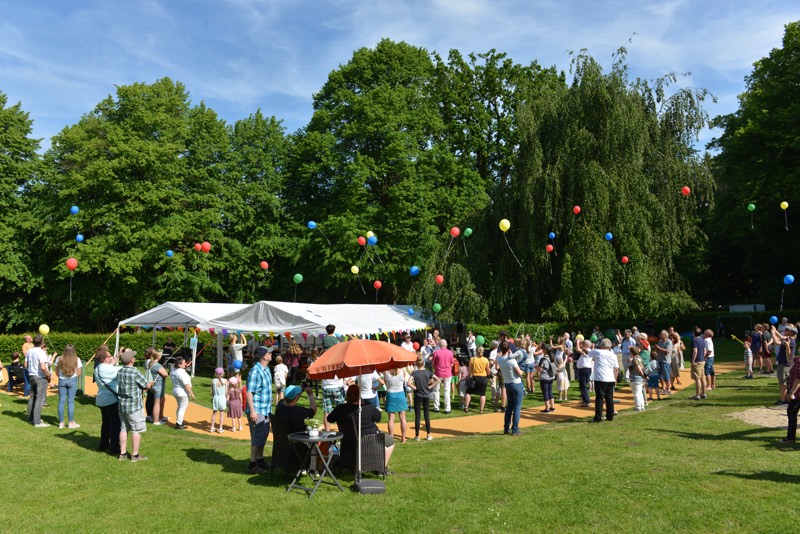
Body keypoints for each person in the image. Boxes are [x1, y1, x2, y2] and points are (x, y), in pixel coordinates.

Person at [327, 384, 394, 472]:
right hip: (370, 439)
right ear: (360, 395)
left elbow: (329, 419)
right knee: (390, 442)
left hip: (348, 440)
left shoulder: (341, 409)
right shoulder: (368, 407)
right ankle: (382, 468)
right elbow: (378, 418)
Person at [116, 350, 152, 462]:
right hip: (134, 407)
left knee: (123, 428)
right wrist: (149, 384)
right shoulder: (135, 372)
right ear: (132, 360)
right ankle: (135, 456)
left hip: (122, 405)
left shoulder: (120, 371)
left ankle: (122, 454)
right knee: (136, 430)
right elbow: (146, 385)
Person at [246, 346, 273, 474]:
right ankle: (252, 465)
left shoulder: (266, 369)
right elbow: (249, 392)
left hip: (266, 408)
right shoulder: (255, 371)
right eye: (269, 353)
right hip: (258, 409)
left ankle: (260, 460)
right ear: (263, 356)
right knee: (257, 437)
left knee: (264, 435)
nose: (271, 355)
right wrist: (252, 411)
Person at [94, 345, 121, 456]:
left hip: (102, 400)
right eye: (110, 356)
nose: (111, 358)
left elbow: (112, 365)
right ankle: (114, 448)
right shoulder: (108, 369)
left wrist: (117, 356)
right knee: (115, 425)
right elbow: (123, 369)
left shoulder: (98, 368)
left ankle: (103, 444)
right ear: (105, 359)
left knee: (106, 423)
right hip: (111, 400)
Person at [408, 357, 440, 441]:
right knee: (427, 415)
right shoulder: (428, 372)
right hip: (426, 395)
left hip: (418, 395)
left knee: (417, 416)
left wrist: (415, 388)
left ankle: (417, 436)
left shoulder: (414, 373)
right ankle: (428, 434)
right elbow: (438, 380)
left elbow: (408, 383)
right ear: (424, 364)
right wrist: (430, 387)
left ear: (416, 365)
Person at [497, 340, 524, 435]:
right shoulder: (512, 361)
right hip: (516, 383)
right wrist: (522, 369)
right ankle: (515, 430)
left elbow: (501, 357)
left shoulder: (499, 359)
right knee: (516, 408)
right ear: (509, 349)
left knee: (509, 407)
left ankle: (506, 428)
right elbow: (519, 373)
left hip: (507, 383)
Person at [589, 339, 619, 423]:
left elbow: (586, 352)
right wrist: (615, 379)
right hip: (610, 378)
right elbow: (616, 369)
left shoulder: (598, 352)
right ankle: (610, 416)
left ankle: (598, 417)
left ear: (602, 346)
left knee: (599, 398)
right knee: (609, 398)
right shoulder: (613, 355)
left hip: (600, 378)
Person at [25, 334, 51, 427]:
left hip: (31, 376)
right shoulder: (41, 352)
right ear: (42, 342)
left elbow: (25, 365)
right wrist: (48, 375)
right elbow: (43, 367)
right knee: (39, 399)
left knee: (32, 397)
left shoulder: (29, 351)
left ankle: (31, 418)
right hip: (40, 377)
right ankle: (37, 421)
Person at [54, 343, 83, 429]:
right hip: (72, 380)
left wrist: (61, 377)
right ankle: (71, 422)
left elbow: (56, 371)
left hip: (62, 380)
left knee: (61, 401)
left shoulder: (59, 358)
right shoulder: (77, 359)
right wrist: (74, 377)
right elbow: (79, 372)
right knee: (70, 402)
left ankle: (61, 423)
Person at [771, 324, 797, 404]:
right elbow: (781, 337)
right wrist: (775, 331)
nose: (785, 331)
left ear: (791, 333)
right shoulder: (788, 338)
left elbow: (777, 342)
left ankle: (783, 400)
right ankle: (784, 398)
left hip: (785, 365)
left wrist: (772, 333)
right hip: (783, 364)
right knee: (783, 383)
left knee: (783, 383)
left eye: (787, 330)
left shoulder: (790, 341)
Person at [383, 367, 409, 443]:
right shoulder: (402, 371)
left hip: (391, 394)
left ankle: (391, 438)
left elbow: (385, 383)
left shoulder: (386, 372)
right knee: (403, 418)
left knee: (391, 419)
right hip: (400, 394)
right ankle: (403, 438)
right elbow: (404, 382)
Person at [145, 348, 169, 425]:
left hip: (154, 386)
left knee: (162, 401)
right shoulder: (157, 365)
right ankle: (156, 420)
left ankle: (161, 417)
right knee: (157, 403)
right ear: (157, 357)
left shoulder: (150, 363)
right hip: (158, 386)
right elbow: (165, 374)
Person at [170, 357, 195, 429]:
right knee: (182, 408)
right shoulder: (181, 373)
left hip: (176, 390)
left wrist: (185, 366)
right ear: (179, 364)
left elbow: (179, 368)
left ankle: (179, 421)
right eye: (184, 363)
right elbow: (186, 385)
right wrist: (191, 393)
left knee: (180, 407)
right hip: (182, 392)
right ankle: (179, 424)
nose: (185, 364)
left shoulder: (173, 371)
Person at [781, 350, 800, 443]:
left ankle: (790, 438)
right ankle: (791, 437)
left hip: (797, 395)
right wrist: (787, 346)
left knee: (792, 413)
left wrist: (792, 392)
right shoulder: (798, 360)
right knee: (791, 413)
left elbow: (798, 379)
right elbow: (790, 359)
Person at [464, 346, 490, 413]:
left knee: (468, 392)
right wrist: (489, 376)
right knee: (482, 394)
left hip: (475, 377)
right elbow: (488, 370)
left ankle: (466, 407)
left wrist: (468, 376)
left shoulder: (472, 359)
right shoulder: (486, 360)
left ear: (476, 351)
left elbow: (469, 370)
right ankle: (481, 409)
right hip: (483, 378)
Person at [431, 339, 454, 414]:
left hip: (438, 373)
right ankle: (447, 408)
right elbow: (452, 363)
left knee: (436, 390)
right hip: (447, 373)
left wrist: (435, 369)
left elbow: (433, 364)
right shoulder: (450, 353)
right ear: (446, 345)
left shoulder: (436, 353)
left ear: (439, 345)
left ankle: (436, 407)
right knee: (447, 391)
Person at [653, 330, 673, 396]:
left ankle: (668, 390)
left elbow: (668, 351)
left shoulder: (669, 342)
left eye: (661, 334)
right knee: (660, 376)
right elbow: (658, 350)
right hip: (659, 360)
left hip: (665, 361)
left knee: (666, 376)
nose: (660, 335)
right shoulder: (660, 342)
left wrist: (659, 348)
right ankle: (664, 389)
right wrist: (656, 349)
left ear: (665, 335)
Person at [690, 327, 707, 400]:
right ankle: (704, 393)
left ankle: (697, 395)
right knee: (703, 378)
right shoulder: (702, 339)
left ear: (693, 333)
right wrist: (704, 358)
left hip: (697, 361)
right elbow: (705, 350)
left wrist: (693, 360)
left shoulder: (694, 340)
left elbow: (695, 351)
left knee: (697, 379)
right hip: (702, 360)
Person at [628, 346, 647, 411]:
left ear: (631, 352)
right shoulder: (640, 358)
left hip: (635, 378)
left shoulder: (634, 359)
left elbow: (638, 369)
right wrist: (644, 376)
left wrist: (642, 375)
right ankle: (642, 406)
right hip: (640, 378)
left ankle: (638, 407)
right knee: (640, 393)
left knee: (636, 393)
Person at [575, 340, 593, 407]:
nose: (582, 344)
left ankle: (586, 401)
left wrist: (577, 342)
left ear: (587, 345)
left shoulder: (588, 351)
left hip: (584, 369)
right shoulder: (588, 350)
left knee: (583, 386)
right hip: (585, 369)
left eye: (583, 344)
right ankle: (585, 399)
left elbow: (577, 349)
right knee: (583, 385)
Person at [210, 367, 228, 433]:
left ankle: (212, 427)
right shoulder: (225, 381)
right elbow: (226, 392)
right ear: (223, 373)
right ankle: (220, 428)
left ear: (215, 373)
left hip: (215, 397)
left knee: (214, 413)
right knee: (221, 413)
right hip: (222, 397)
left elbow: (211, 391)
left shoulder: (213, 381)